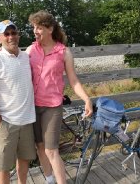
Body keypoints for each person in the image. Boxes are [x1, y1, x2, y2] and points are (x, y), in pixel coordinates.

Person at [26, 10, 93, 184]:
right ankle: (49, 180)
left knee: (51, 150)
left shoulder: (63, 52)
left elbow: (74, 81)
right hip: (32, 106)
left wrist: (87, 99)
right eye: (34, 27)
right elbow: (13, 62)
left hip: (52, 107)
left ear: (50, 29)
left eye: (39, 28)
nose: (35, 31)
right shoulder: (31, 50)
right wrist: (1, 51)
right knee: (40, 147)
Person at [0, 20, 36, 184]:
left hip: (27, 120)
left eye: (14, 33)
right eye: (7, 34)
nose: (11, 37)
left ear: (18, 35)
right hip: (6, 122)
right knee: (3, 166)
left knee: (25, 159)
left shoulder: (26, 57)